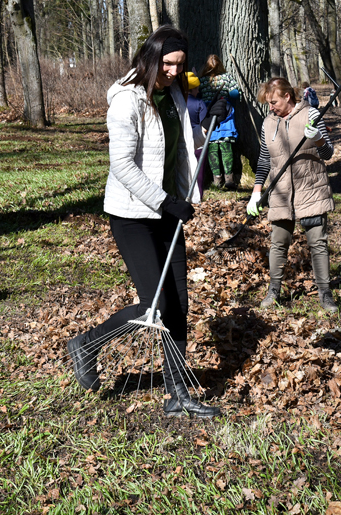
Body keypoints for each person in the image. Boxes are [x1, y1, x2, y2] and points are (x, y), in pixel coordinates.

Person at [66, 25, 227, 419]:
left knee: (179, 306)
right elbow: (121, 165)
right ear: (151, 58)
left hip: (167, 211)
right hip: (133, 215)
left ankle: (177, 396)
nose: (174, 71)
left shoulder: (172, 95)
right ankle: (87, 344)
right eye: (168, 63)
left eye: (180, 64)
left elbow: (182, 145)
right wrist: (165, 201)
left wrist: (211, 123)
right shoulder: (127, 101)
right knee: (153, 306)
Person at [246, 77, 338, 313]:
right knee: (278, 243)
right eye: (268, 103)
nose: (271, 107)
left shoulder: (312, 115)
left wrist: (317, 138)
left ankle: (325, 294)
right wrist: (256, 193)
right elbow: (265, 159)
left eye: (274, 102)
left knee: (317, 243)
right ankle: (273, 291)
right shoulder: (268, 123)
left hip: (311, 188)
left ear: (288, 96)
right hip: (280, 191)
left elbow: (328, 153)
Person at [199, 55, 241, 189]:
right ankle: (229, 179)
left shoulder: (202, 80)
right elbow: (235, 94)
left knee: (212, 148)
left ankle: (217, 179)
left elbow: (197, 95)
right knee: (226, 147)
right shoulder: (227, 77)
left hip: (208, 115)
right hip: (225, 115)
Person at [185, 71, 209, 200]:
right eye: (197, 88)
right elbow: (204, 125)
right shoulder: (200, 103)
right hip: (198, 141)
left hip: (182, 140)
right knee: (198, 171)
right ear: (194, 88)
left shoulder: (179, 102)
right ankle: (198, 196)